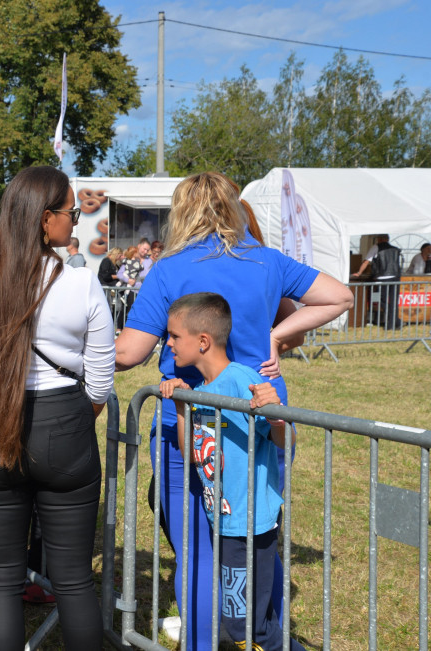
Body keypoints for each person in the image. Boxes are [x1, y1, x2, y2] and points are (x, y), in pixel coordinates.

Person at [114, 172, 352, 651]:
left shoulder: (170, 266)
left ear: (182, 211)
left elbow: (128, 353)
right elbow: (341, 296)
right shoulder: (267, 262)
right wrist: (278, 335)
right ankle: (271, 637)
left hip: (190, 425)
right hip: (262, 422)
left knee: (198, 551)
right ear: (233, 207)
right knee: (261, 537)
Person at [0, 165, 115, 650]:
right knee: (75, 581)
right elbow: (100, 383)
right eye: (70, 211)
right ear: (44, 219)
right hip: (64, 426)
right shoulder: (81, 284)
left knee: (1, 581)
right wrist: (73, 419)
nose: (76, 221)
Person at [158, 293, 304, 651]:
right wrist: (181, 406)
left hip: (250, 525)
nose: (169, 343)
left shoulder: (241, 379)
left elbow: (284, 438)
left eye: (175, 336)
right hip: (224, 521)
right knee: (246, 622)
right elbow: (194, 452)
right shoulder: (204, 391)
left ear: (203, 341)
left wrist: (274, 413)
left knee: (246, 626)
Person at [352, 234, 402, 329]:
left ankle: (393, 322)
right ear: (387, 239)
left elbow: (367, 261)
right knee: (393, 301)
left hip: (382, 277)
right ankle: (395, 323)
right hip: (395, 277)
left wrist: (359, 272)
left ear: (379, 239)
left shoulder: (376, 247)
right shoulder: (396, 249)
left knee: (382, 299)